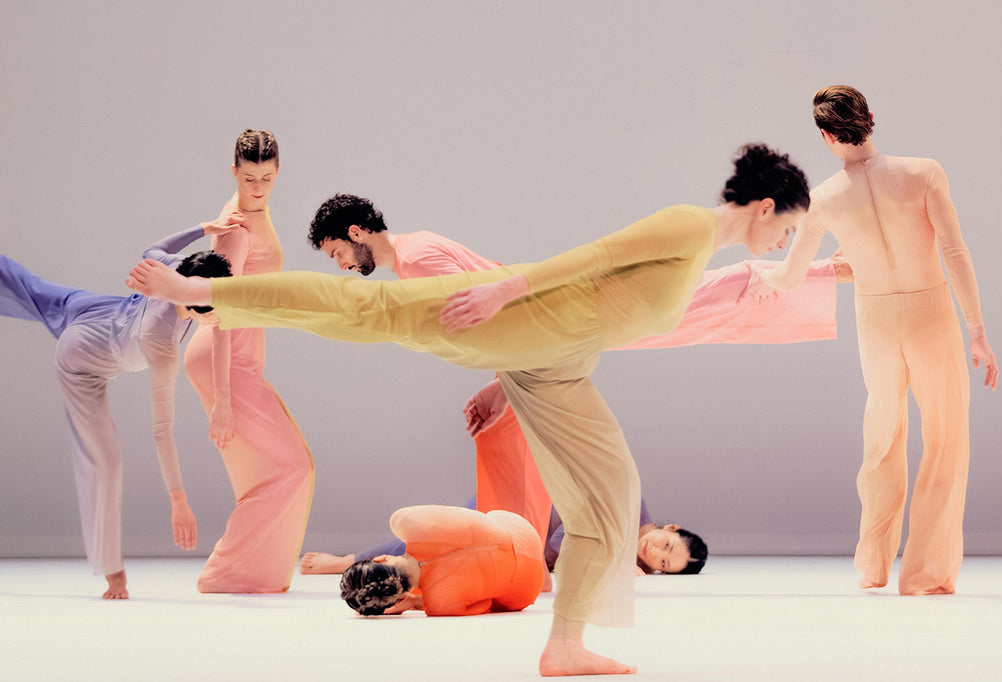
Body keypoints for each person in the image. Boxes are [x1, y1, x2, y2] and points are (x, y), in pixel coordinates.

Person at [126, 142, 810, 676]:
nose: (786, 241)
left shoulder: (700, 256)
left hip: (561, 360)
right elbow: (592, 256)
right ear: (767, 204)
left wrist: (812, 275)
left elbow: (674, 307)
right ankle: (205, 293)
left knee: (613, 492)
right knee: (373, 308)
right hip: (524, 314)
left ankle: (565, 646)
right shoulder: (690, 224)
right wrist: (501, 292)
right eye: (790, 229)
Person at [299, 193, 843, 576]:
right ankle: (813, 276)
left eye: (336, 253)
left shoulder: (416, 261)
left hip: (551, 319)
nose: (342, 265)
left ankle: (811, 274)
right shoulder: (416, 251)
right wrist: (501, 386)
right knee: (678, 314)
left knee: (680, 308)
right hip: (545, 330)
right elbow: (492, 322)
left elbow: (491, 319)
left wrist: (502, 382)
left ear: (354, 233)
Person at [742, 86, 999, 596]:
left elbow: (791, 279)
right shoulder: (924, 172)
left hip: (878, 323)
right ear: (870, 119)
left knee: (882, 441)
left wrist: (756, 272)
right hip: (930, 314)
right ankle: (925, 575)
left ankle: (874, 565)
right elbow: (954, 250)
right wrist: (978, 331)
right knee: (945, 443)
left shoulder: (825, 198)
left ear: (825, 135)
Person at [0, 217, 240, 598]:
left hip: (99, 309)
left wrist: (205, 227)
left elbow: (152, 251)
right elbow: (162, 430)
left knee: (26, 285)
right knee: (105, 461)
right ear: (189, 306)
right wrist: (179, 499)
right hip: (82, 359)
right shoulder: (160, 345)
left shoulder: (182, 271)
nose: (217, 316)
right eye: (210, 311)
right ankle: (115, 574)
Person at [184, 129, 315, 593]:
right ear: (234, 173)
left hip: (241, 355)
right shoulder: (236, 228)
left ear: (278, 172)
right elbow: (218, 311)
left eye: (266, 177)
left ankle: (249, 574)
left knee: (275, 469)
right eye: (248, 178)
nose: (258, 187)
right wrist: (221, 400)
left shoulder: (257, 211)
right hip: (225, 357)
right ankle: (226, 573)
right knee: (293, 467)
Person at [300, 496, 708, 577]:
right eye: (667, 545)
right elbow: (558, 542)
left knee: (443, 557)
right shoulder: (628, 501)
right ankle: (347, 561)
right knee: (435, 536)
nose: (655, 551)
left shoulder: (629, 563)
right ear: (669, 528)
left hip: (516, 545)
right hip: (516, 504)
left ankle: (363, 565)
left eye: (663, 562)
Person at [339, 505, 546, 617]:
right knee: (485, 518)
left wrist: (416, 601)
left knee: (493, 591)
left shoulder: (439, 606)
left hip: (527, 586)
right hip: (521, 528)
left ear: (394, 601)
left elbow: (486, 603)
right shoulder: (403, 520)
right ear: (380, 558)